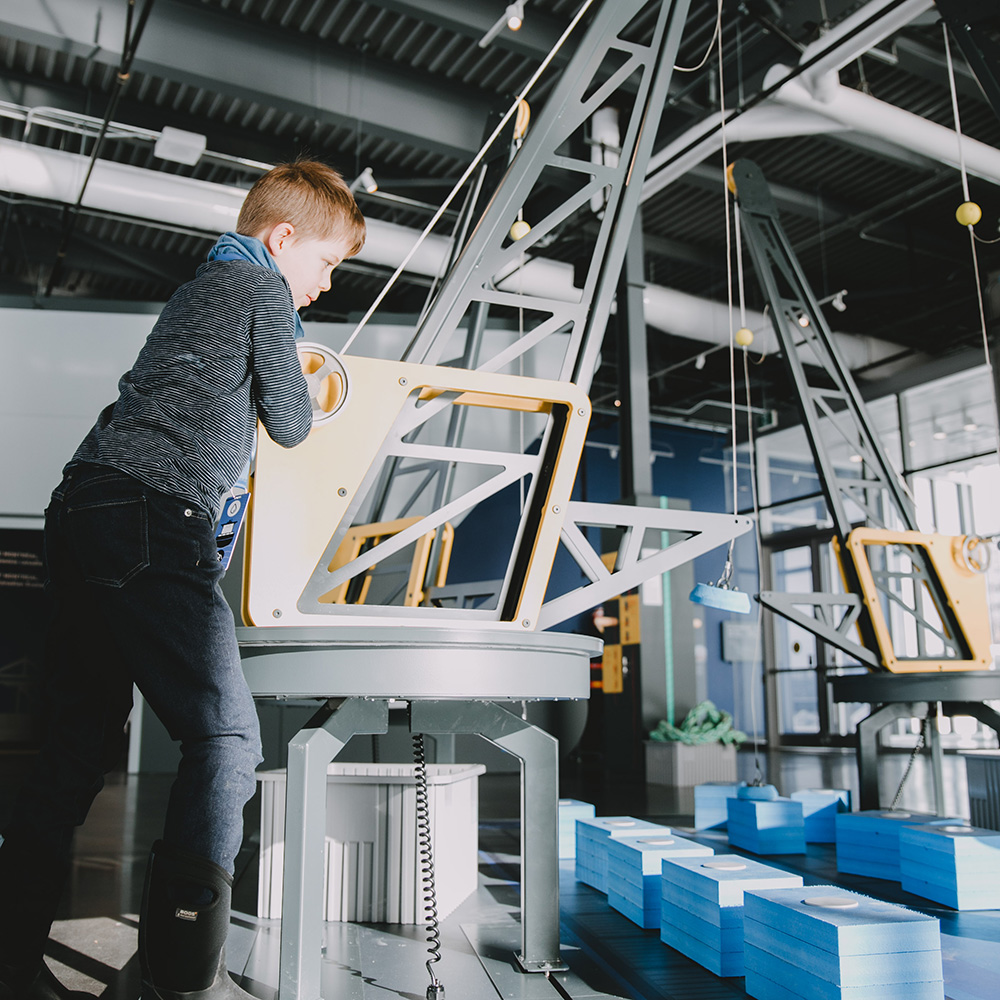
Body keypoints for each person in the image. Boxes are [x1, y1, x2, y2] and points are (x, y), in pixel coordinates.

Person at [0, 160, 366, 1000]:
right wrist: (310, 366)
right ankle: (173, 983)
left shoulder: (202, 287)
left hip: (86, 508)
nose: (324, 283)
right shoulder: (260, 290)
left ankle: (9, 965)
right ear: (282, 240)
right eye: (327, 263)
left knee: (72, 752)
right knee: (228, 740)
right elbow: (294, 421)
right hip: (152, 516)